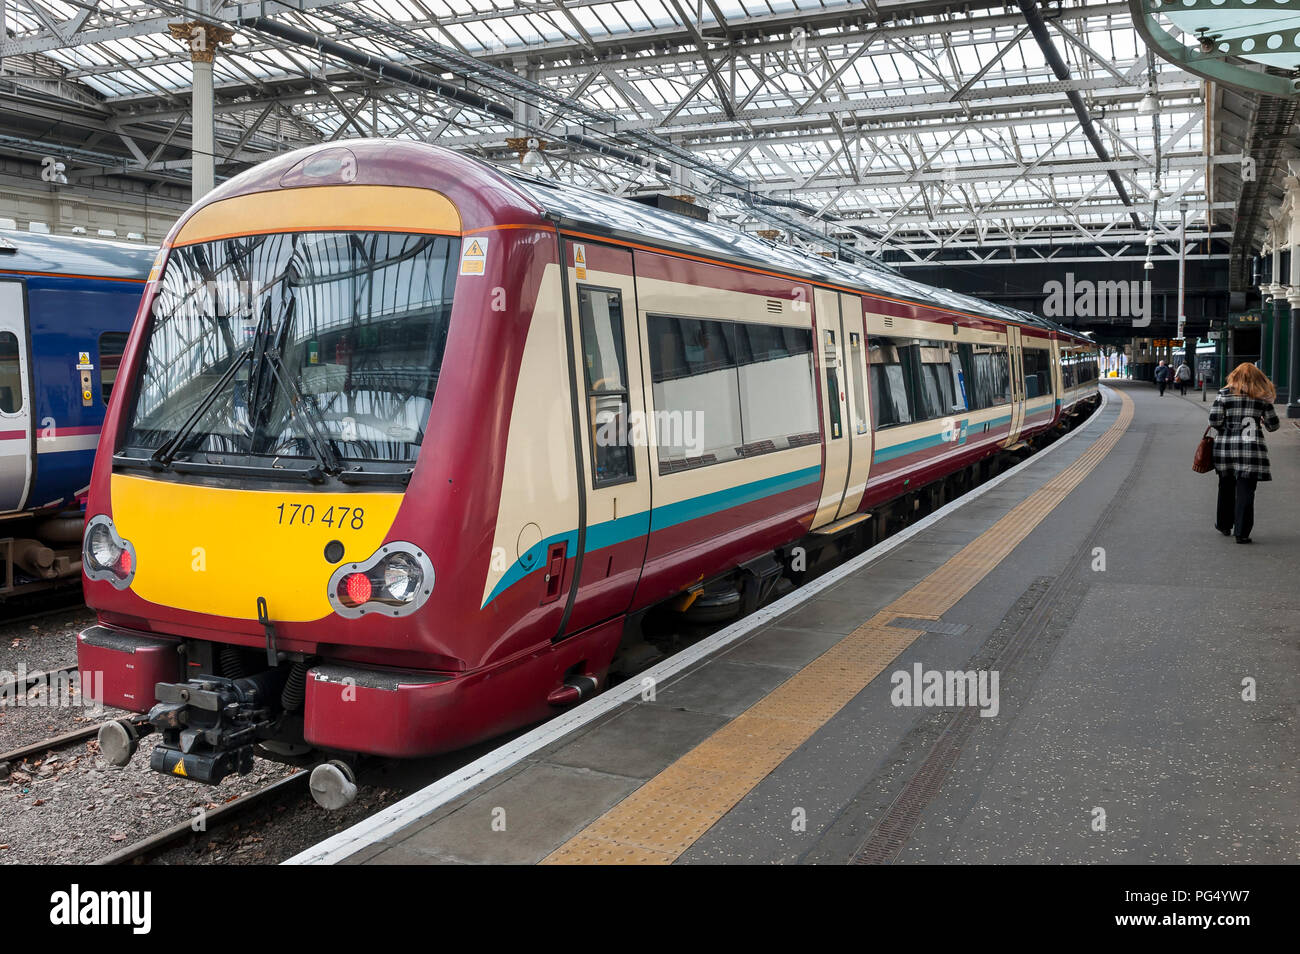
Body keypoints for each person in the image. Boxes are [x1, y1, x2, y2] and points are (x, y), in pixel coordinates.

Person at [1209, 363, 1280, 544]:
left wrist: (1229, 426)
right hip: (1251, 449)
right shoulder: (1262, 397)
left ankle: (1224, 524)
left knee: (1225, 485)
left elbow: (1215, 421)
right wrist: (1260, 421)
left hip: (1226, 448)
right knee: (1246, 490)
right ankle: (1242, 533)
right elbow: (1273, 426)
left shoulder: (1223, 394)